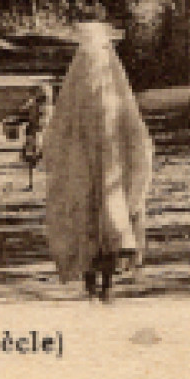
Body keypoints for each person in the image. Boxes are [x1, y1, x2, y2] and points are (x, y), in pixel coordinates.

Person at [42, 20, 155, 302]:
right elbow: (59, 129)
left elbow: (134, 132)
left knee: (108, 219)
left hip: (110, 167)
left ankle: (104, 282)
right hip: (84, 167)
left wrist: (134, 160)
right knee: (88, 219)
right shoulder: (78, 90)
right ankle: (93, 281)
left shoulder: (114, 91)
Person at [20, 82, 53, 190]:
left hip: (37, 134)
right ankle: (33, 183)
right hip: (39, 135)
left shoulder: (38, 107)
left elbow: (25, 116)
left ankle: (32, 183)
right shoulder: (49, 108)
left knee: (33, 159)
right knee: (34, 159)